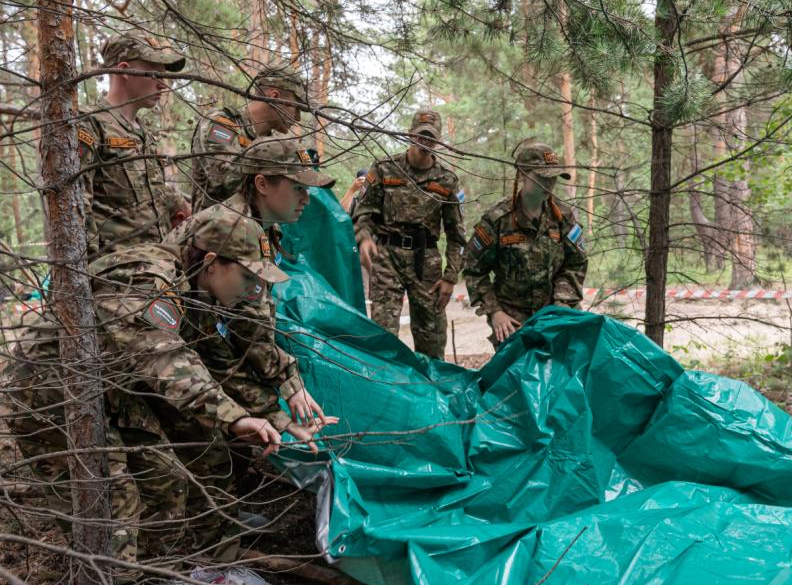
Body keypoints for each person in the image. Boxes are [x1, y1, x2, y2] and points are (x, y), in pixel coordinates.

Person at [2, 207, 305, 585]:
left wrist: (271, 414)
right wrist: (234, 416)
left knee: (163, 482)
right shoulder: (149, 278)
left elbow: (212, 361)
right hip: (51, 398)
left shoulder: (190, 286)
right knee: (112, 499)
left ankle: (148, 584)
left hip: (103, 392)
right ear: (211, 260)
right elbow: (164, 359)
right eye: (248, 277)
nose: (253, 289)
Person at [168, 134, 336, 431]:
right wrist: (285, 389)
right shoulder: (237, 229)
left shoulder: (259, 229)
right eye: (298, 188)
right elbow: (247, 327)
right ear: (261, 185)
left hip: (194, 355)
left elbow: (247, 329)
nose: (307, 200)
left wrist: (281, 397)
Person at [352, 109, 467, 359]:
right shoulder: (385, 169)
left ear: (438, 141)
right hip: (386, 259)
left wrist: (450, 277)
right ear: (410, 135)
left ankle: (431, 390)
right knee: (383, 336)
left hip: (425, 262)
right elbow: (363, 213)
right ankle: (385, 389)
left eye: (431, 138)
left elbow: (457, 235)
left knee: (431, 337)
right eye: (421, 137)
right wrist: (364, 238)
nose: (425, 143)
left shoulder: (447, 180)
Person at [77, 29, 190, 259]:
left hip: (159, 265)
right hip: (119, 275)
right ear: (124, 71)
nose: (163, 85)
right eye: (154, 75)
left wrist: (178, 204)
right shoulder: (90, 124)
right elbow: (77, 207)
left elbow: (145, 195)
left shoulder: (144, 133)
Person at [462, 142, 588, 346]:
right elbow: (473, 270)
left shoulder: (563, 218)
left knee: (562, 370)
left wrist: (562, 302)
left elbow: (577, 263)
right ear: (522, 174)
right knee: (518, 372)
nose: (549, 184)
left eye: (553, 178)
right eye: (542, 178)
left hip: (556, 311)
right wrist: (495, 312)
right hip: (511, 318)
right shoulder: (498, 220)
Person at [190, 65, 309, 211]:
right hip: (218, 229)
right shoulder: (222, 123)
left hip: (257, 230)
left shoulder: (276, 143)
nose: (297, 118)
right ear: (274, 97)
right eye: (296, 108)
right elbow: (226, 180)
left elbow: (303, 178)